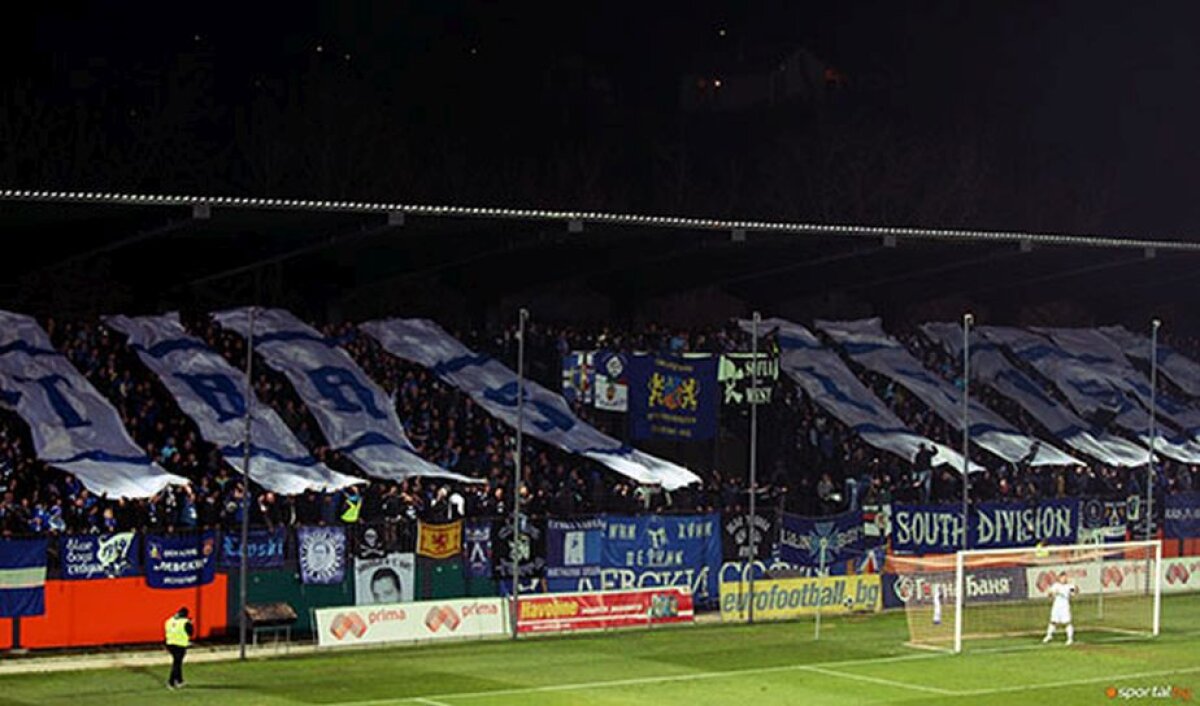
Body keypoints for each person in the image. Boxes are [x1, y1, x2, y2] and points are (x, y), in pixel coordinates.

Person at [1042, 571, 1077, 646]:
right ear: (1059, 578)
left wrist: (1074, 590)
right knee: (1053, 621)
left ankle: (1070, 638)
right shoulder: (1056, 585)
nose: (1063, 579)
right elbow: (1049, 594)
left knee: (1067, 622)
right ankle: (1049, 635)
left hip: (1064, 607)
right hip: (1056, 606)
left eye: (1065, 577)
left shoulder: (1070, 586)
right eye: (1062, 577)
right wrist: (1051, 593)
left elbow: (1073, 594)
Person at [164, 606, 194, 689]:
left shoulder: (169, 621)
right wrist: (191, 624)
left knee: (177, 662)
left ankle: (179, 680)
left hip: (170, 644)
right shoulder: (185, 622)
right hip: (180, 645)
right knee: (177, 663)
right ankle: (171, 682)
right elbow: (190, 633)